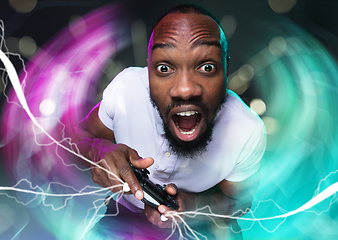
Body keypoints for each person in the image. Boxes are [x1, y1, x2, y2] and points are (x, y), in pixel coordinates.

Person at [72, 3, 266, 239]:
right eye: (164, 67)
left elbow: (239, 204)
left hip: (201, 227)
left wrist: (192, 207)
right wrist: (97, 150)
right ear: (149, 69)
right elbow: (77, 137)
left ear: (226, 69)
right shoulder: (127, 87)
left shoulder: (247, 129)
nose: (185, 90)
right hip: (125, 218)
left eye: (206, 67)